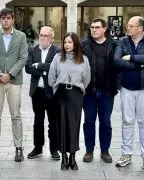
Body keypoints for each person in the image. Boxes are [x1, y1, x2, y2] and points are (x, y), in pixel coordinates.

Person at [114, 16, 144, 170]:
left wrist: (131, 58)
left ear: (140, 28)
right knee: (127, 121)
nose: (127, 27)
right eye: (127, 25)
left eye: (131, 25)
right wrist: (141, 64)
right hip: (126, 87)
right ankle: (126, 154)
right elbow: (117, 61)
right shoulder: (123, 41)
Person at [0, 8, 28, 162]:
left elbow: (23, 58)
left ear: (12, 20)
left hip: (14, 81)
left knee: (15, 115)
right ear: (0, 20)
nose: (6, 20)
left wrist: (10, 74)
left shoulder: (21, 36)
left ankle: (18, 148)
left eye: (8, 18)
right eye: (3, 18)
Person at [48, 32, 91, 170]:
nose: (67, 45)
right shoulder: (57, 58)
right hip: (61, 94)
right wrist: (57, 89)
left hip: (76, 95)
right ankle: (64, 158)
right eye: (65, 42)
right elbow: (51, 77)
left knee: (74, 125)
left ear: (76, 43)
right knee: (61, 125)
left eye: (70, 42)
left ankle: (72, 157)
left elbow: (87, 79)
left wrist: (79, 90)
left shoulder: (83, 59)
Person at [81, 18, 118, 163]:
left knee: (105, 122)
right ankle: (89, 151)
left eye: (97, 27)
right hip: (89, 92)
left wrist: (117, 84)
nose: (94, 30)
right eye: (92, 27)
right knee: (89, 122)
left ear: (104, 29)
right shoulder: (84, 44)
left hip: (107, 92)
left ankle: (105, 151)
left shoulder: (114, 45)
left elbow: (119, 64)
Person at [25, 26, 60, 160]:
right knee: (38, 121)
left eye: (46, 36)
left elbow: (55, 67)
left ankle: (54, 149)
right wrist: (45, 70)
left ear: (51, 38)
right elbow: (28, 68)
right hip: (37, 92)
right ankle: (38, 147)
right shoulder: (32, 50)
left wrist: (38, 66)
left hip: (51, 92)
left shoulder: (57, 51)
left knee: (53, 122)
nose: (43, 38)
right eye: (41, 35)